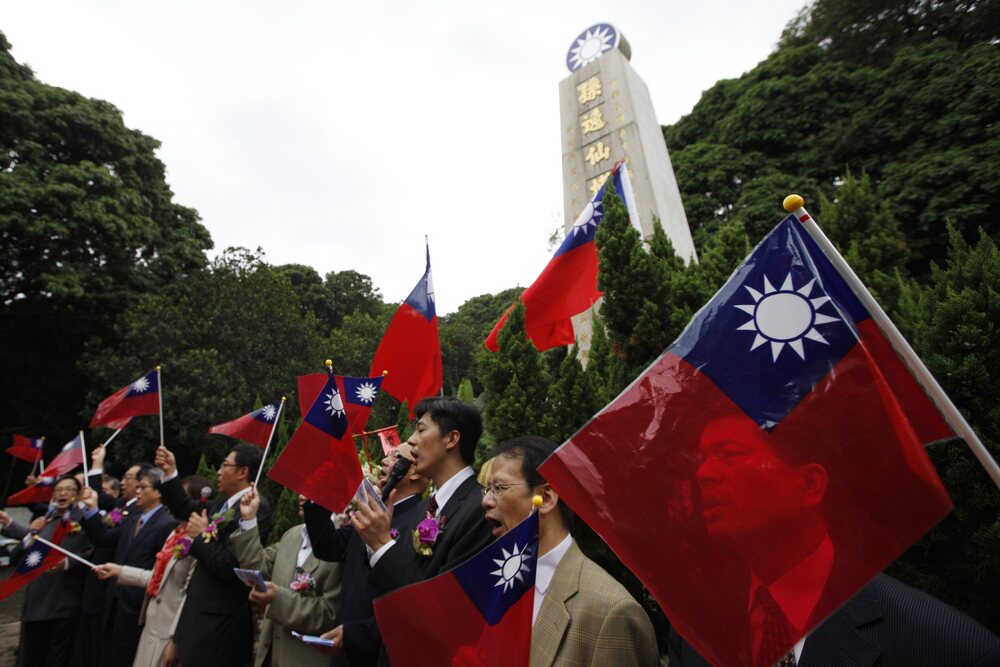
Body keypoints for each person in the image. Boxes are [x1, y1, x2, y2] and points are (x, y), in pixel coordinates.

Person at [481, 436, 660, 667]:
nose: (486, 501)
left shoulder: (610, 612)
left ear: (544, 498)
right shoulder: (493, 590)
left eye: (499, 488)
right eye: (487, 489)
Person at [305, 442, 427, 666]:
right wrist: (318, 497)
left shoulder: (422, 525)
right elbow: (329, 546)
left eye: (395, 457)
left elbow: (409, 602)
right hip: (343, 650)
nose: (383, 460)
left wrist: (357, 634)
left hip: (377, 653)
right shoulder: (372, 515)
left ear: (416, 471)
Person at [154, 443, 272, 667]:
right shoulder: (221, 503)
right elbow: (185, 509)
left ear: (242, 472)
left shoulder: (256, 508)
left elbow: (231, 566)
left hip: (219, 628)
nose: (218, 471)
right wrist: (170, 473)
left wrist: (199, 537)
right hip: (196, 619)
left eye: (225, 465)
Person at [92, 476, 206, 667]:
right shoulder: (175, 533)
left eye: (181, 497)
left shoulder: (199, 543)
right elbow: (157, 577)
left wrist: (175, 639)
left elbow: (189, 593)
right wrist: (119, 571)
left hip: (168, 629)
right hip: (151, 622)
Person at [79, 465, 178, 667]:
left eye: (143, 487)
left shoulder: (167, 524)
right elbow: (103, 537)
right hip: (113, 602)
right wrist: (90, 510)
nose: (137, 491)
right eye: (138, 487)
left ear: (158, 492)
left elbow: (161, 571)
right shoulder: (131, 518)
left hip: (137, 607)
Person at [232, 490, 342, 667]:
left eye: (312, 490)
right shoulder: (292, 535)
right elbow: (257, 567)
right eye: (302, 489)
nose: (301, 496)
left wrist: (278, 598)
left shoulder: (341, 544)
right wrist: (249, 519)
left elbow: (330, 613)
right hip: (269, 654)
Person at [0, 474, 94, 667]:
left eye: (68, 489)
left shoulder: (86, 522)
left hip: (62, 607)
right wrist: (30, 534)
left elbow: (93, 553)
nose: (62, 493)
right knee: (31, 658)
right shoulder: (45, 521)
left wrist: (68, 563)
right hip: (35, 606)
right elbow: (17, 558)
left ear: (78, 495)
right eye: (58, 490)